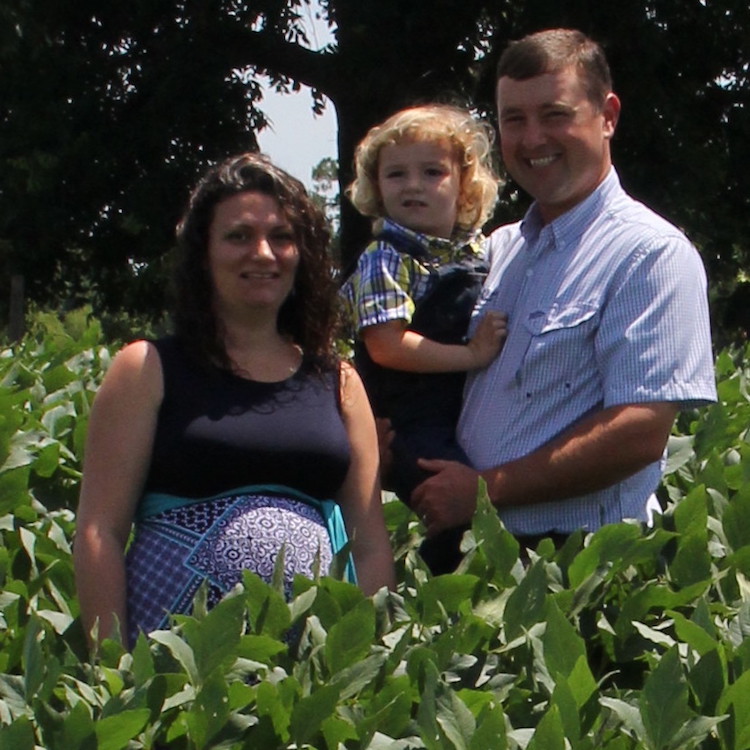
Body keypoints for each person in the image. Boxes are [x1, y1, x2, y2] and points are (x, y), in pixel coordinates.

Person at [410, 28, 717, 567]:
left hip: (577, 568)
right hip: (464, 553)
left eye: (554, 114)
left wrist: (483, 490)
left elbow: (638, 431)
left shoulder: (650, 254)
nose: (532, 140)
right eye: (514, 119)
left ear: (608, 116)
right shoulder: (497, 252)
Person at [73, 153, 395, 647]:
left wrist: (369, 660)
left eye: (281, 237)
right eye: (238, 236)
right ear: (204, 253)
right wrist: (110, 670)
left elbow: (370, 544)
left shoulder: (338, 380)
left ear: (302, 254)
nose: (262, 253)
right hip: (171, 661)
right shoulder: (146, 369)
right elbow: (100, 531)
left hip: (307, 666)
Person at [341, 104, 507, 515]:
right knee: (453, 512)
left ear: (464, 187)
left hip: (464, 412)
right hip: (410, 423)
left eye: (432, 172)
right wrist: (472, 356)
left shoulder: (480, 252)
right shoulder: (386, 257)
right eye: (396, 174)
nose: (412, 185)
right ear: (377, 187)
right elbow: (387, 345)